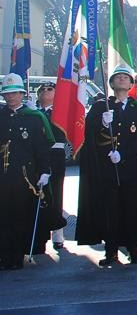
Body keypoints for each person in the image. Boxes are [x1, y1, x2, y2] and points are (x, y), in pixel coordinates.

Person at [76, 65, 137, 267]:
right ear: (112, 83)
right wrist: (100, 122)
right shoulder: (101, 107)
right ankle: (111, 251)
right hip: (107, 169)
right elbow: (90, 137)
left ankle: (133, 250)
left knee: (132, 209)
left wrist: (123, 154)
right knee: (111, 211)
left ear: (132, 85)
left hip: (133, 168)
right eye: (118, 77)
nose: (122, 80)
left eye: (126, 78)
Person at [0, 74, 56, 270]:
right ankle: (4, 255)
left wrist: (44, 171)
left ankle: (16, 256)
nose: (11, 98)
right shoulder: (1, 116)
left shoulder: (33, 118)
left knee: (19, 217)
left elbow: (41, 148)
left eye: (14, 93)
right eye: (7, 94)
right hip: (3, 176)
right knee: (3, 217)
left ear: (22, 94)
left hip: (24, 177)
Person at [36, 82, 68, 250]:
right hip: (36, 158)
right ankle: (39, 236)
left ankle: (58, 234)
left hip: (55, 155)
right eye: (42, 90)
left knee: (56, 194)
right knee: (38, 196)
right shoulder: (33, 113)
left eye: (49, 89)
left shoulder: (60, 113)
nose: (45, 92)